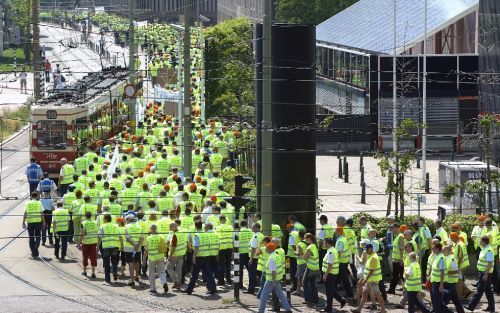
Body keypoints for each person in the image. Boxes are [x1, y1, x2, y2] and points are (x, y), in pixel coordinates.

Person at [183, 220, 217, 295]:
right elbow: (209, 244)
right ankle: (213, 288)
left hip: (199, 257)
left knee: (194, 274)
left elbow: (196, 248)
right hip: (206, 256)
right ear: (201, 226)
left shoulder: (197, 235)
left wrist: (194, 257)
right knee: (209, 273)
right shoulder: (206, 234)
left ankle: (189, 289)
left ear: (195, 226)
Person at [257, 243, 292, 313]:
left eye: (266, 248)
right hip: (277, 279)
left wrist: (273, 281)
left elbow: (273, 271)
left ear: (270, 249)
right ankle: (288, 310)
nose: (265, 249)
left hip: (271, 280)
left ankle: (260, 311)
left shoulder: (271, 258)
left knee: (263, 295)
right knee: (281, 295)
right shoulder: (276, 255)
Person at [351, 243, 386, 313]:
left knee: (377, 295)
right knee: (364, 293)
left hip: (373, 280)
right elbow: (368, 269)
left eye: (367, 249)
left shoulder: (373, 257)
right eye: (365, 249)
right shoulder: (370, 255)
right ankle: (359, 309)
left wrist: (365, 280)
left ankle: (383, 310)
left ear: (371, 249)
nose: (365, 251)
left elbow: (371, 270)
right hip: (370, 280)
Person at [465, 236, 496, 313]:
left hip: (485, 273)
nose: (479, 242)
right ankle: (491, 308)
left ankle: (471, 306)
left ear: (484, 242)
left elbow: (490, 263)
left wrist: (486, 274)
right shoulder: (484, 249)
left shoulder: (488, 250)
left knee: (479, 291)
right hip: (484, 273)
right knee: (488, 291)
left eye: (480, 241)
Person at [321, 238, 346, 312]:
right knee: (330, 290)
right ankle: (341, 300)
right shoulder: (332, 250)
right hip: (332, 273)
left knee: (329, 292)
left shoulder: (331, 252)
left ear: (328, 243)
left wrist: (325, 275)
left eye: (324, 243)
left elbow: (330, 265)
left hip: (330, 274)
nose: (323, 244)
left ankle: (329, 308)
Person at [98, 214, 123, 283]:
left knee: (106, 262)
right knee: (114, 260)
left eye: (103, 218)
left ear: (106, 219)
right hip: (115, 246)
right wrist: (121, 245)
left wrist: (97, 246)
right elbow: (120, 236)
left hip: (106, 247)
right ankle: (114, 271)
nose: (103, 220)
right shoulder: (116, 226)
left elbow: (100, 237)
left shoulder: (102, 226)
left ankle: (107, 279)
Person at [145, 224, 168, 293]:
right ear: (156, 229)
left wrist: (143, 259)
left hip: (152, 258)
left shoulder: (148, 238)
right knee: (161, 271)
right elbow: (165, 247)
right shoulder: (161, 237)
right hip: (160, 257)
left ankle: (152, 288)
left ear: (150, 229)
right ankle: (164, 283)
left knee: (151, 273)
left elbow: (146, 250)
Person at [442, 244, 465, 313]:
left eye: (444, 250)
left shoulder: (451, 259)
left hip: (450, 283)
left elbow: (455, 271)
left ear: (449, 251)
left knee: (444, 300)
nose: (442, 251)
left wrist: (445, 273)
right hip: (449, 283)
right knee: (456, 300)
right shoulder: (446, 257)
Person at [22, 191, 44, 258]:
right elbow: (42, 213)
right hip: (37, 222)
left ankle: (33, 251)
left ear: (31, 197)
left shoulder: (27, 203)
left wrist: (23, 222)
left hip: (30, 222)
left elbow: (25, 213)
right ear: (37, 196)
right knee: (38, 236)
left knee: (31, 237)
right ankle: (36, 247)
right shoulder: (39, 203)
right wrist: (44, 222)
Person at [450, 232, 471, 298]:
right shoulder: (459, 244)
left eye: (452, 238)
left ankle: (460, 295)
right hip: (462, 265)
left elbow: (460, 256)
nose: (451, 240)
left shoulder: (459, 244)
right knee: (459, 280)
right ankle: (467, 291)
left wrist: (457, 266)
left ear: (456, 237)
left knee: (459, 281)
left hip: (460, 265)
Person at [123, 215, 143, 286]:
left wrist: (134, 245)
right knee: (137, 262)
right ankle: (137, 277)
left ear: (129, 220)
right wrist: (137, 246)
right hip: (137, 248)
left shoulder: (126, 227)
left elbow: (128, 238)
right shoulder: (140, 227)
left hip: (128, 248)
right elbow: (142, 238)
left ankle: (132, 280)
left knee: (130, 263)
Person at [335, 226, 354, 300]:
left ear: (339, 232)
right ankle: (333, 289)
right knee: (340, 277)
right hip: (343, 261)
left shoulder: (340, 240)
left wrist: (335, 260)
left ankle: (349, 293)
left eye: (336, 231)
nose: (335, 232)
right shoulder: (343, 239)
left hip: (341, 261)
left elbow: (339, 252)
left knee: (344, 278)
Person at [429, 243, 447, 313]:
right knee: (438, 301)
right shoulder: (437, 256)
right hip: (435, 281)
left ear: (437, 249)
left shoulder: (441, 258)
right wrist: (430, 276)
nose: (432, 250)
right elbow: (435, 269)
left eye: (433, 248)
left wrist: (441, 285)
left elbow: (442, 272)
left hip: (438, 283)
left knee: (437, 301)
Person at [167, 222, 186, 289]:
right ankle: (178, 284)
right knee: (179, 269)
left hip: (175, 254)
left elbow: (173, 247)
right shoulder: (181, 233)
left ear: (175, 227)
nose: (170, 228)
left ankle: (176, 281)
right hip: (181, 253)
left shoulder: (175, 235)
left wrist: (170, 255)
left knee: (168, 267)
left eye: (171, 226)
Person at [79, 211, 98, 278]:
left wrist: (79, 242)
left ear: (85, 216)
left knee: (85, 257)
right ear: (91, 216)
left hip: (86, 242)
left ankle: (85, 271)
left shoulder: (83, 223)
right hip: (93, 242)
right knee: (93, 257)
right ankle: (93, 273)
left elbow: (81, 234)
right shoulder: (95, 223)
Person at [302, 233, 319, 304]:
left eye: (305, 238)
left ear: (309, 239)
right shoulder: (315, 246)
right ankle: (315, 299)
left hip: (310, 267)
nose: (305, 240)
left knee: (305, 282)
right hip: (315, 267)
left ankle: (308, 299)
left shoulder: (309, 247)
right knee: (313, 284)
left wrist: (304, 255)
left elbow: (304, 257)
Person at [388, 223, 404, 293]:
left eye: (393, 228)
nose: (392, 230)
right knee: (395, 275)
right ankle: (391, 289)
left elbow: (401, 249)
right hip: (396, 260)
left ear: (397, 228)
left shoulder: (400, 236)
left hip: (399, 260)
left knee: (401, 275)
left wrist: (401, 259)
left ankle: (409, 291)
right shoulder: (397, 236)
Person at [318, 215, 333, 282]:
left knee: (322, 264)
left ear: (322, 220)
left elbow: (321, 240)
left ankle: (322, 278)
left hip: (323, 249)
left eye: (320, 220)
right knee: (328, 263)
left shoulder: (323, 228)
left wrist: (319, 249)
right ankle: (328, 277)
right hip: (330, 247)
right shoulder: (330, 227)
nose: (320, 222)